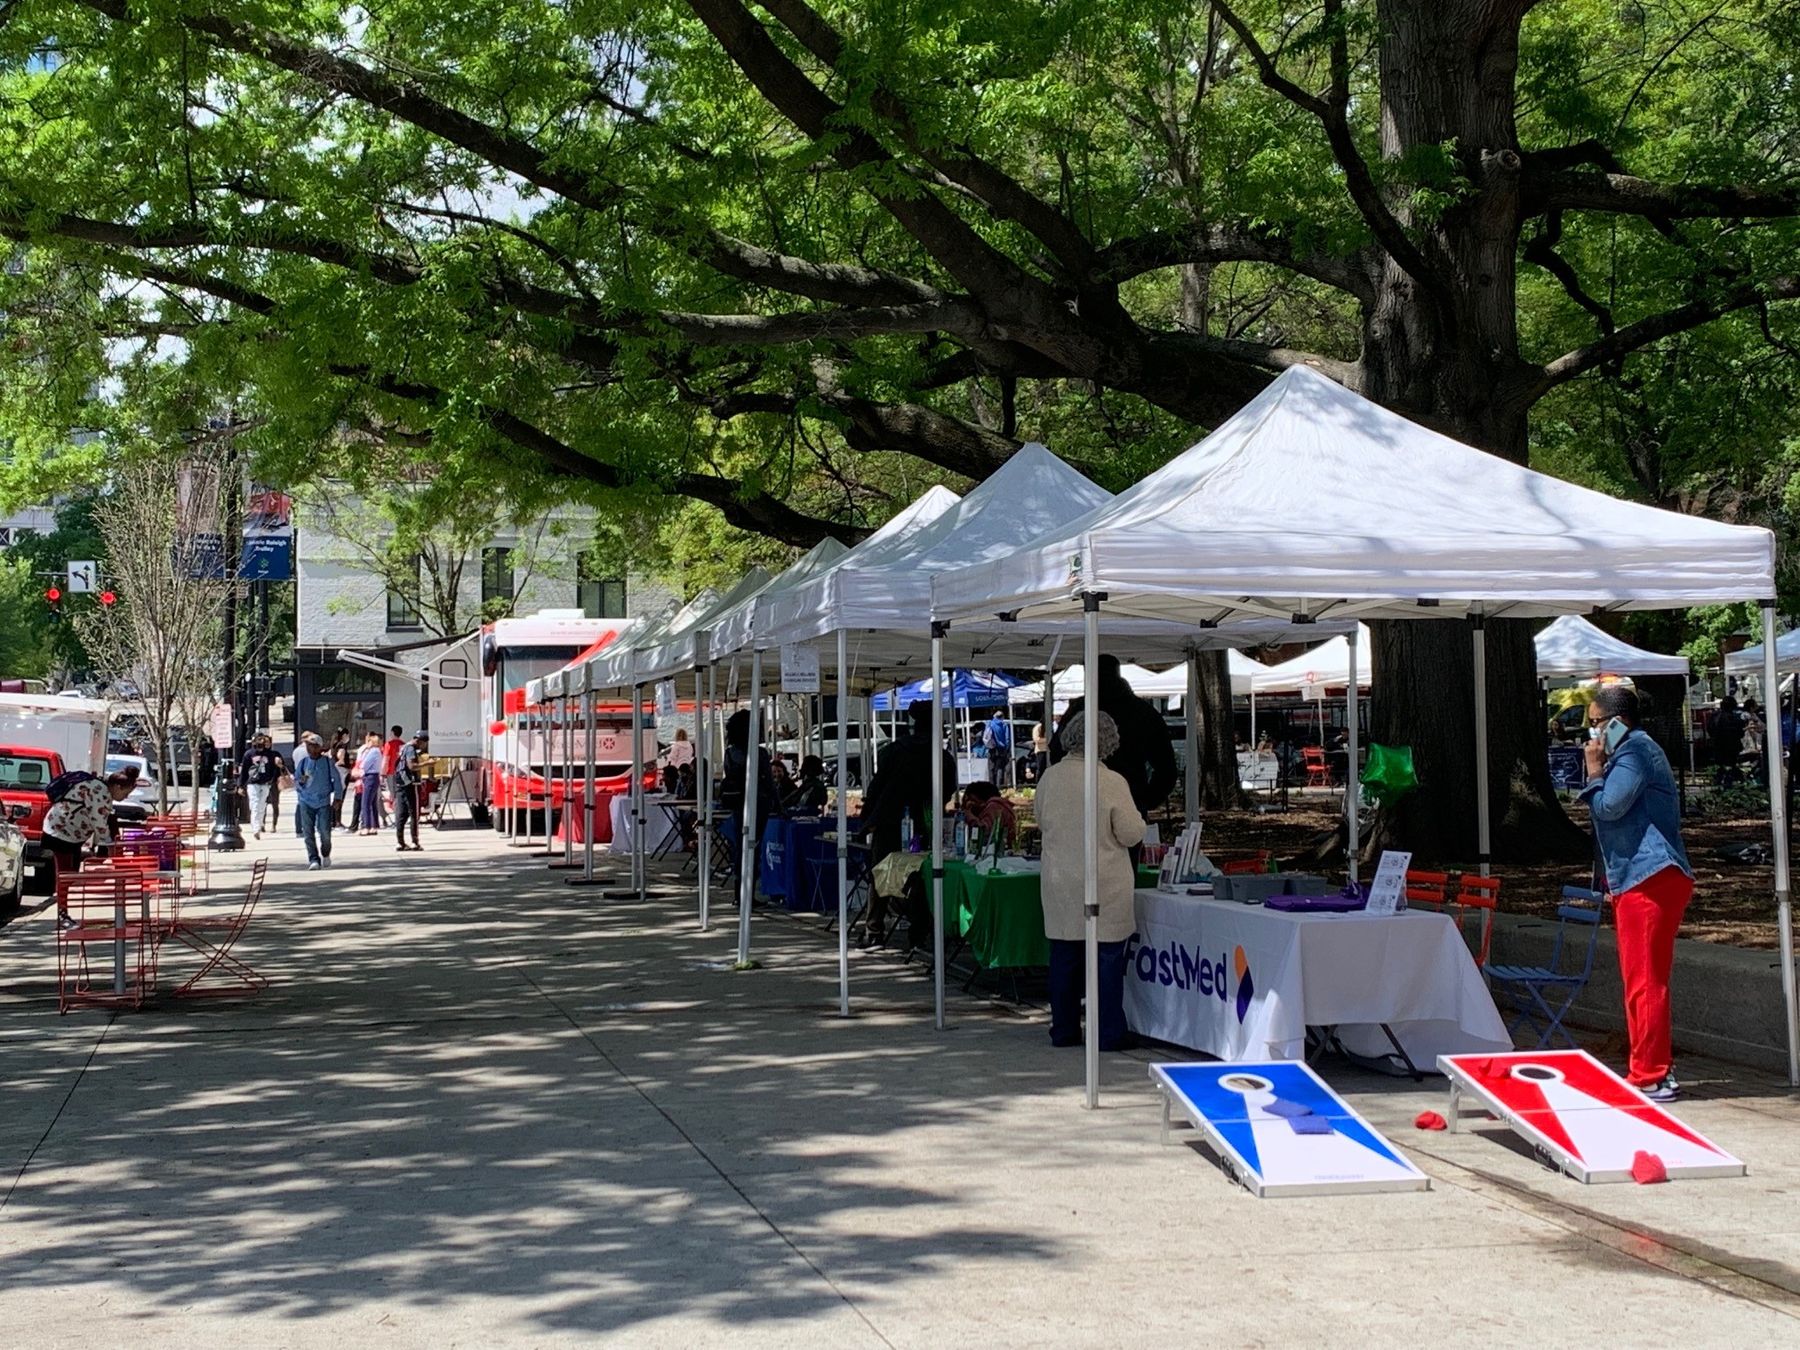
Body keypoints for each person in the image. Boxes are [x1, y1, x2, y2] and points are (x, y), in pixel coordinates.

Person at [1581, 685, 1691, 1102]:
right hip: (1638, 877)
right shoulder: (1629, 752)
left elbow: (1610, 806)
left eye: (1594, 722)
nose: (1590, 733)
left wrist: (1593, 772)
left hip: (1652, 877)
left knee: (1645, 979)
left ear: (1615, 721)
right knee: (1639, 978)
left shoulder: (1635, 752)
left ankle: (1652, 1074)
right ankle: (1650, 1066)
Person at [1034, 711, 1145, 1051]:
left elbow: (1040, 821)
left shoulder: (1049, 778)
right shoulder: (1110, 782)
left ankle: (1064, 1028)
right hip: (1103, 879)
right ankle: (1108, 1031)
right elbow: (1131, 832)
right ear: (1108, 742)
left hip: (1059, 879)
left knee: (1064, 957)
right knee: (1108, 959)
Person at [1052, 654, 1177, 849]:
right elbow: (1167, 768)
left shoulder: (1079, 709)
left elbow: (1056, 752)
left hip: (1082, 804)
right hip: (1125, 801)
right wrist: (1144, 801)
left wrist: (1144, 800)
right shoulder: (1143, 712)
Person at [860, 701, 957, 945]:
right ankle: (919, 931)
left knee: (883, 874)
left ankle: (874, 930)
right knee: (923, 876)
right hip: (925, 821)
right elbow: (948, 790)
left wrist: (866, 821)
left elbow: (876, 787)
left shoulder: (894, 750)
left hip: (891, 820)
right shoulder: (942, 757)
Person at [44, 770, 137, 928]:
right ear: (117, 786)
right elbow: (99, 823)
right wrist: (111, 845)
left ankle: (63, 913)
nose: (125, 797)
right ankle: (62, 916)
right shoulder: (100, 791)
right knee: (64, 876)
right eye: (126, 793)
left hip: (69, 833)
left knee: (69, 875)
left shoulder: (99, 788)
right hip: (60, 832)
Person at [718, 709, 777, 872]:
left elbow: (728, 773)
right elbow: (769, 783)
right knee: (754, 846)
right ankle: (748, 889)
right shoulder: (760, 753)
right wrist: (777, 805)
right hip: (758, 803)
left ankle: (740, 889)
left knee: (740, 844)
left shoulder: (730, 753)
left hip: (737, 803)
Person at [294, 739, 344, 871]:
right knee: (308, 832)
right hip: (306, 801)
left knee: (325, 832)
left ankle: (325, 853)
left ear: (320, 747)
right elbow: (297, 781)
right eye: (308, 746)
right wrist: (301, 782)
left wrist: (338, 798)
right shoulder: (303, 762)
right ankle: (313, 859)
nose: (311, 749)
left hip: (323, 801)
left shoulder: (327, 762)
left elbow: (337, 780)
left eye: (314, 746)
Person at [239, 733, 287, 840]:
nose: (260, 745)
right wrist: (241, 785)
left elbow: (279, 767)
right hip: (253, 783)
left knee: (262, 805)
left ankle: (260, 823)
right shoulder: (248, 754)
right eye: (258, 742)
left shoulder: (270, 754)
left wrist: (279, 765)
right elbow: (244, 771)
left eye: (262, 742)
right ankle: (256, 828)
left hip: (266, 783)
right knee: (255, 804)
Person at [392, 731, 428, 852]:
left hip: (400, 784)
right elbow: (412, 766)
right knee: (414, 813)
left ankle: (400, 842)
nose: (424, 747)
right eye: (424, 744)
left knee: (401, 814)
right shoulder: (411, 749)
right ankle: (414, 841)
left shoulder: (404, 747)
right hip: (410, 784)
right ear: (419, 741)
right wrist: (427, 763)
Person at [959, 781, 1017, 853]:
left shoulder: (994, 806)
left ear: (981, 800)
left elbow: (984, 833)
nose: (969, 804)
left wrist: (968, 813)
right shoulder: (996, 806)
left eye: (972, 800)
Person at [354, 731, 385, 834]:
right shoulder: (378, 751)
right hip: (374, 776)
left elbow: (365, 764)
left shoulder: (373, 752)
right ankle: (373, 825)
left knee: (365, 802)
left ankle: (366, 826)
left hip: (370, 776)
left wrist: (360, 771)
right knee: (372, 802)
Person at [1709, 695, 1745, 785]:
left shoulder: (1714, 716)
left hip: (1717, 745)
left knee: (1722, 765)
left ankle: (1719, 781)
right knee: (1730, 765)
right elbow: (1739, 733)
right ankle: (1731, 781)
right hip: (1731, 747)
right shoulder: (1733, 718)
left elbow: (1709, 728)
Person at [329, 729, 354, 827]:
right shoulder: (342, 746)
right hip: (342, 772)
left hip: (336, 773)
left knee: (336, 796)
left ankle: (333, 820)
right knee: (340, 796)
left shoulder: (333, 747)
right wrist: (343, 763)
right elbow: (341, 757)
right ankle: (337, 821)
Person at [982, 709, 1013, 787]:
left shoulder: (989, 724)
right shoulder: (1004, 725)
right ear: (1002, 717)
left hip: (991, 748)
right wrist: (1007, 748)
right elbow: (1007, 739)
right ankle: (998, 786)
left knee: (991, 768)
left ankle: (991, 786)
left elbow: (986, 736)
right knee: (999, 767)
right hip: (1001, 749)